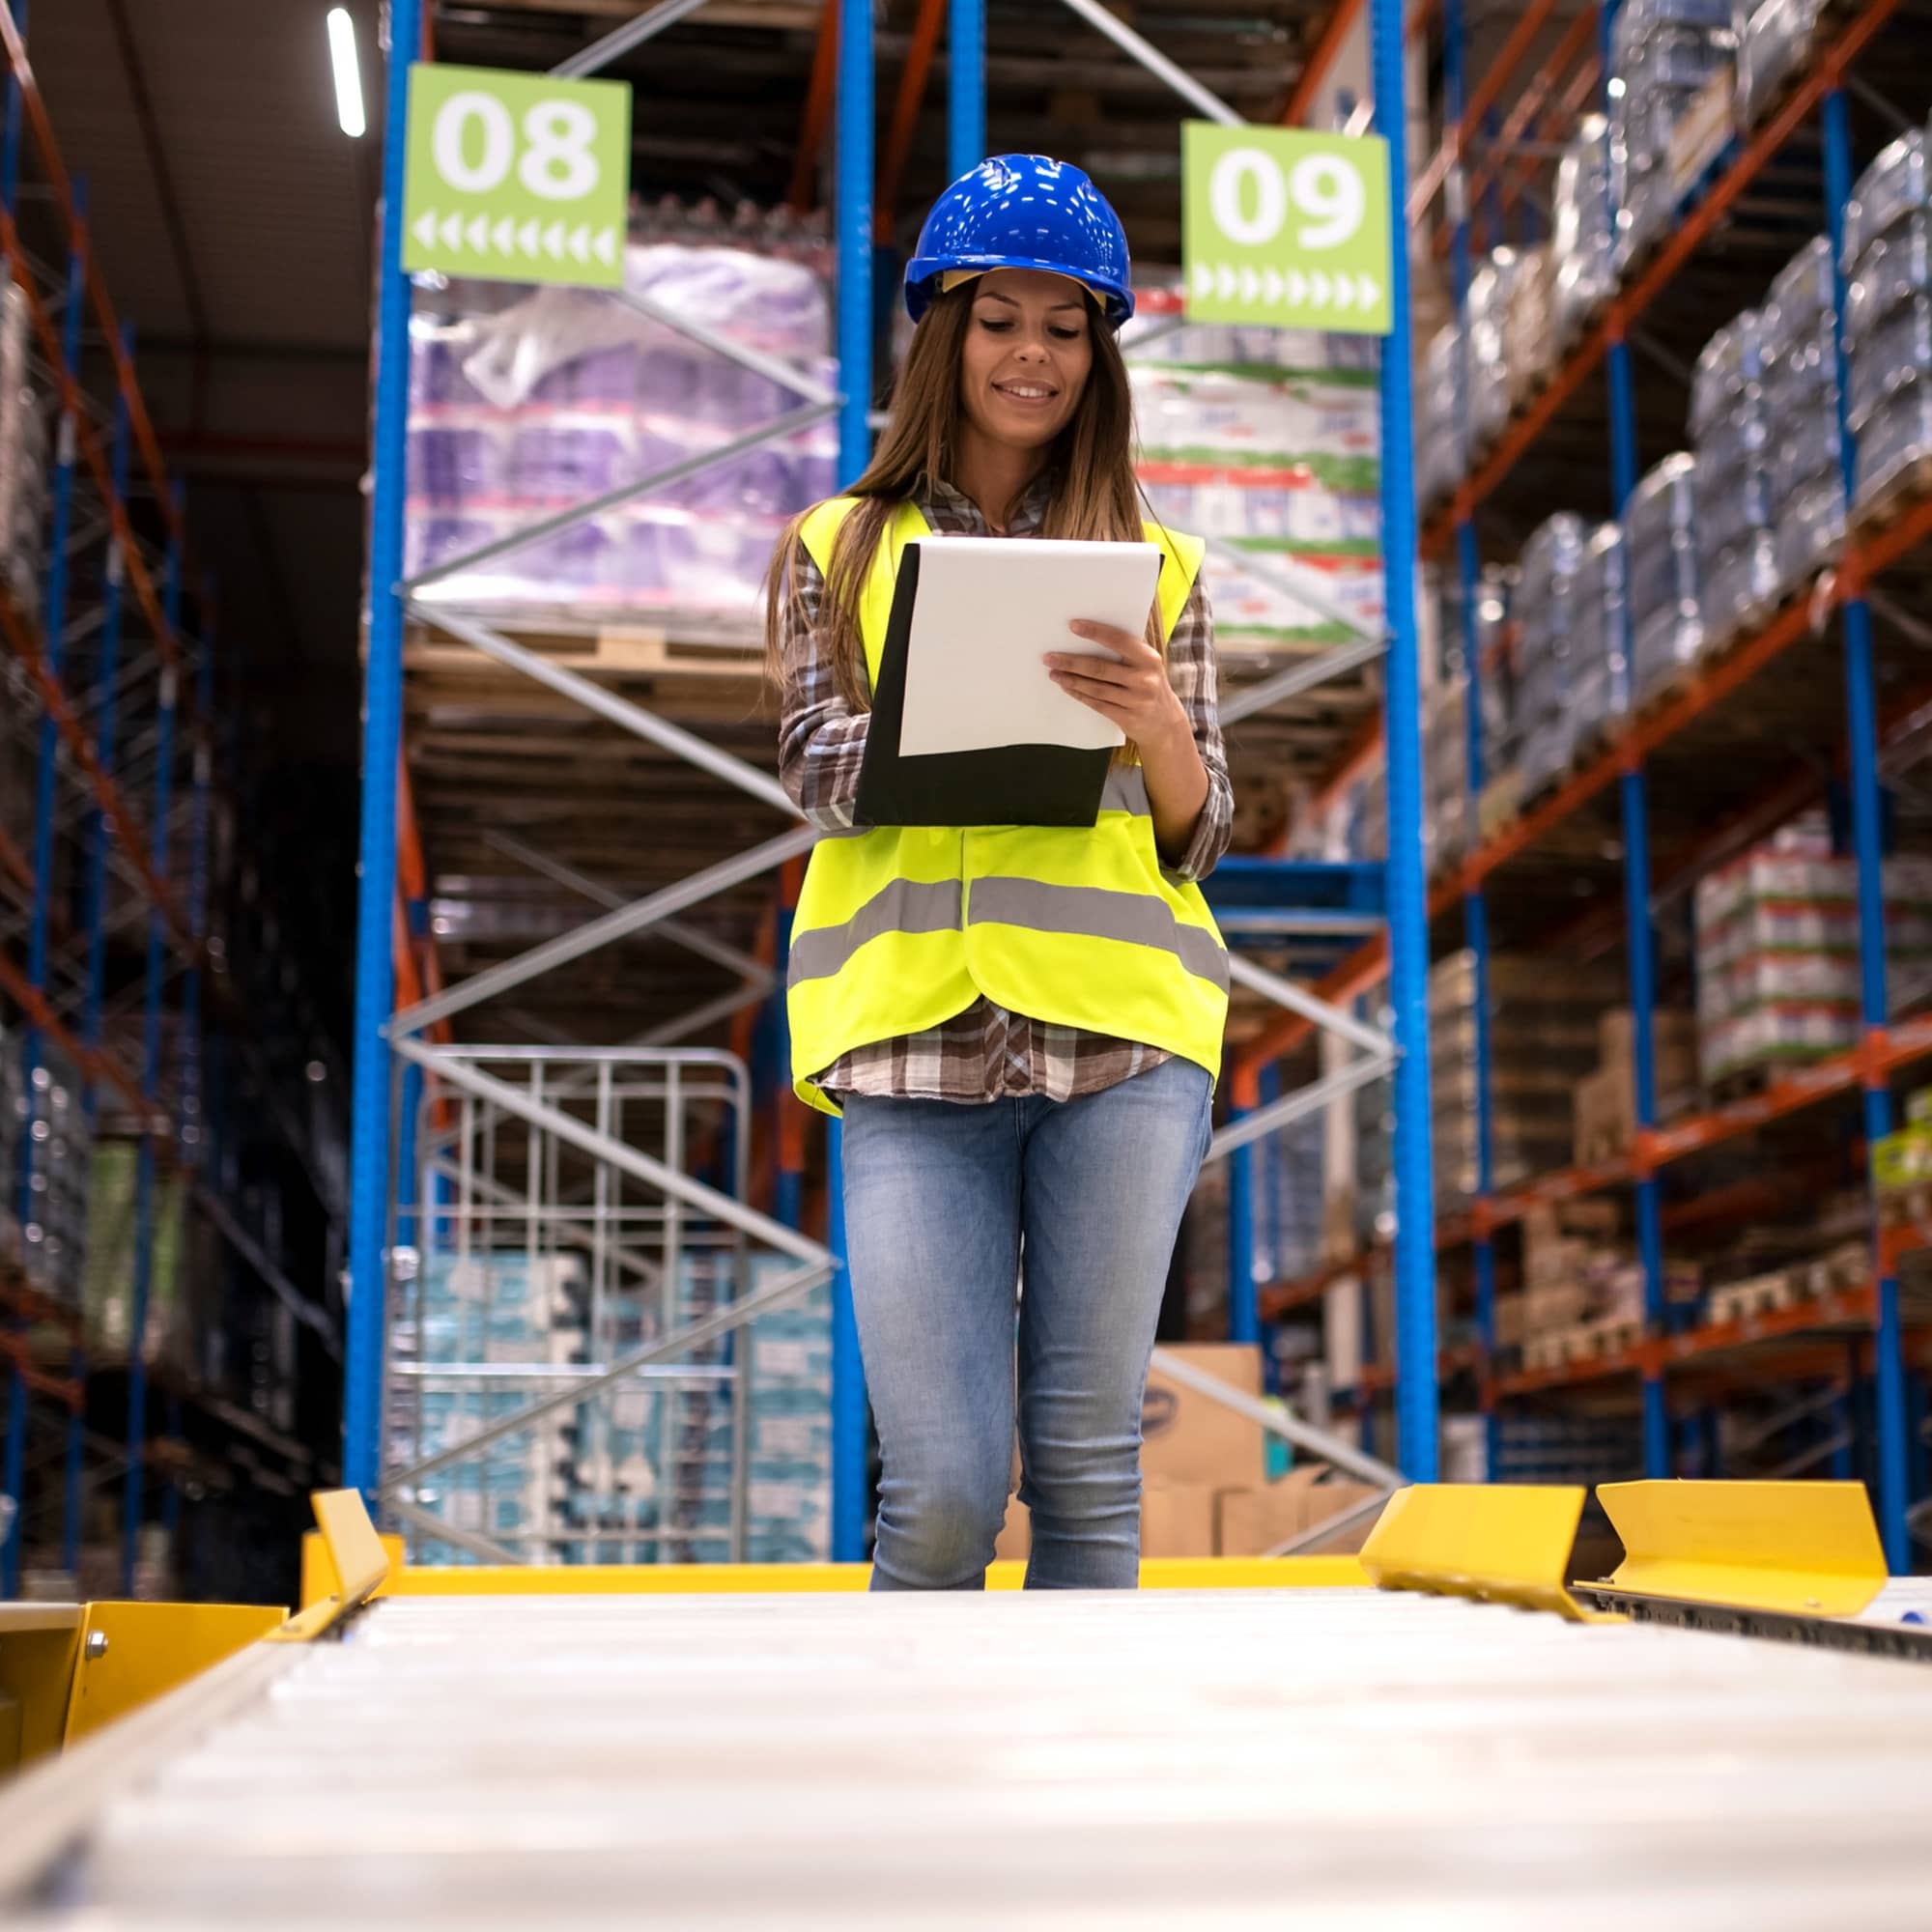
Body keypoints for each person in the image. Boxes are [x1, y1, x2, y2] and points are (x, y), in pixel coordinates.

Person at [765, 155, 1232, 1591]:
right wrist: (956, 711)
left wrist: (1157, 727)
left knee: (1087, 1473)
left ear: (1100, 359)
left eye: (1066, 327)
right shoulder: (839, 548)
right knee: (948, 1487)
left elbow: (1200, 833)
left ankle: (1086, 1806)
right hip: (911, 1046)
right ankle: (911, 1807)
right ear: (943, 336)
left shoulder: (1156, 563)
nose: (1032, 354)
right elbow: (810, 764)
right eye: (1000, 319)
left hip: (1124, 1044)